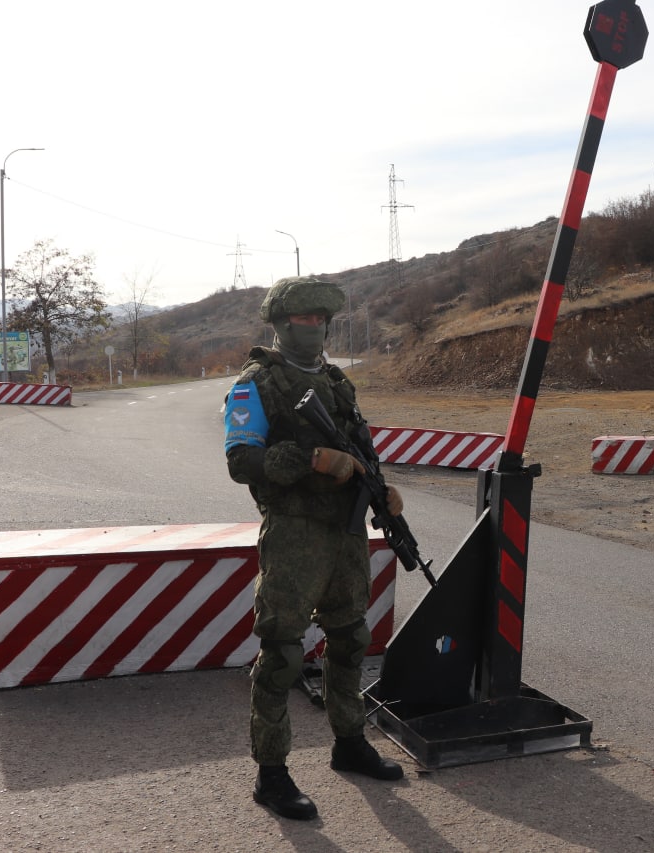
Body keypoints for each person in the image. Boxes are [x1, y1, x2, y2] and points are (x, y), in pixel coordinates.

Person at [223, 274, 404, 821]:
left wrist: (381, 488)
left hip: (345, 532)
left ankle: (349, 741)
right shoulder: (256, 383)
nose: (315, 329)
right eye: (304, 321)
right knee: (281, 650)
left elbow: (362, 446)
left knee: (351, 638)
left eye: (322, 321)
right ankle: (271, 774)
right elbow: (240, 461)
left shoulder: (337, 382)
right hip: (295, 532)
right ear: (280, 325)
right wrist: (309, 461)